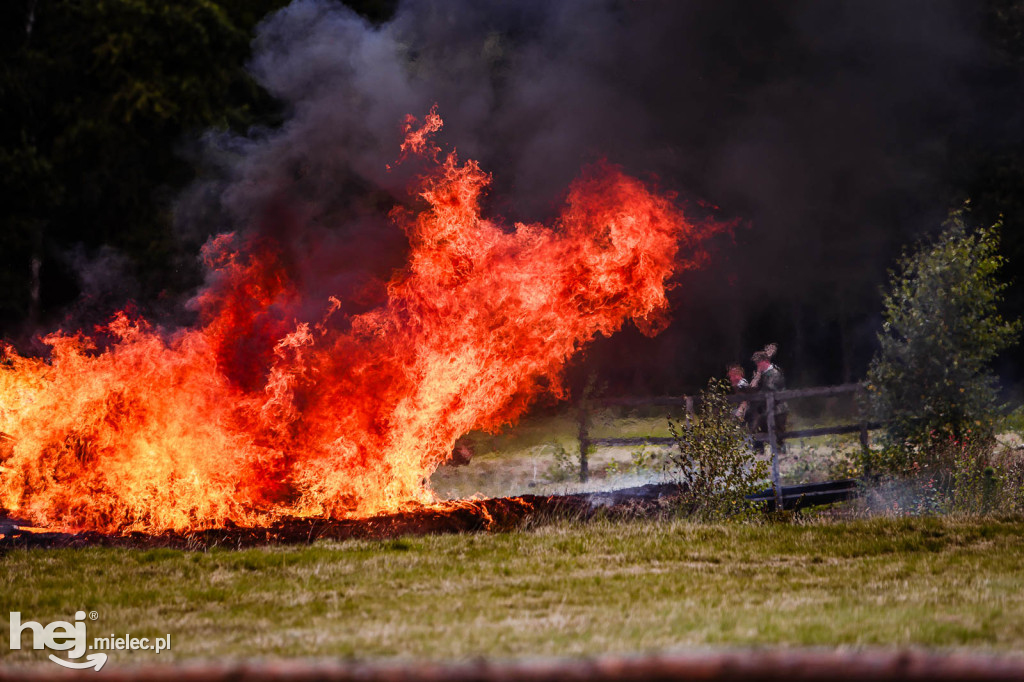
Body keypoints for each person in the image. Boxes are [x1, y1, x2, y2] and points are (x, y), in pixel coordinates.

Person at [750, 346, 788, 452]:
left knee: (778, 433)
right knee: (758, 428)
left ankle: (780, 455)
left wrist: (758, 395)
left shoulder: (775, 373)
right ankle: (759, 451)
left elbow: (770, 390)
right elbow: (755, 388)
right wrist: (756, 380)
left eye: (759, 363)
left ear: (765, 361)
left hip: (778, 409)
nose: (758, 365)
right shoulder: (763, 374)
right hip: (766, 408)